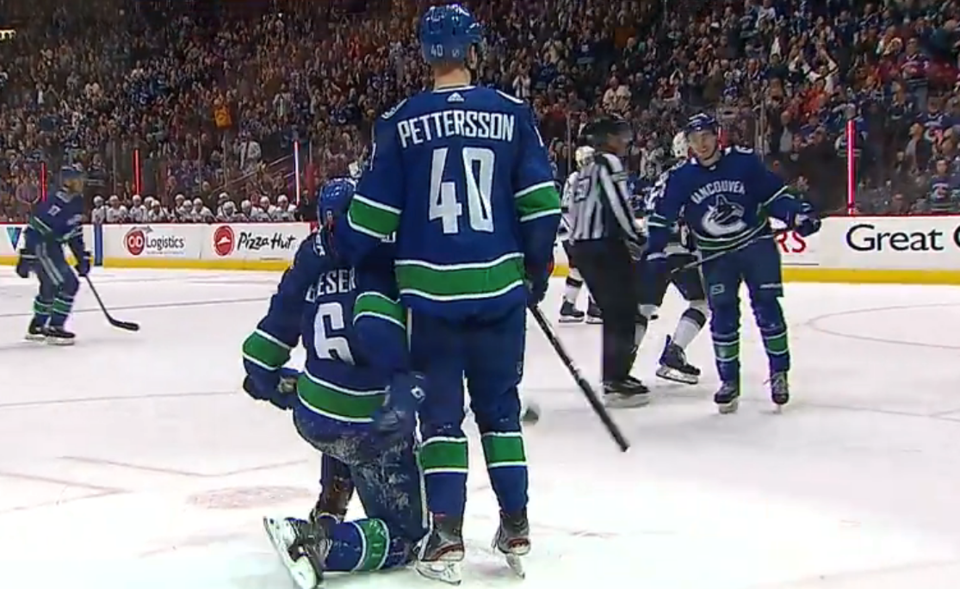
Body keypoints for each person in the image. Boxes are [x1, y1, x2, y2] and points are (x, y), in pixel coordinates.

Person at [339, 4, 561, 582]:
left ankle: (445, 536)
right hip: (499, 294)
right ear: (473, 50)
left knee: (441, 420)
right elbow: (541, 204)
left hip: (431, 301)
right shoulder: (512, 114)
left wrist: (355, 256)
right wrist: (534, 270)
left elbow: (366, 220)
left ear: (426, 55)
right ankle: (516, 521)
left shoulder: (400, 122)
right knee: (500, 413)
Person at [241, 178, 428, 589]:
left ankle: (331, 502)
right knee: (408, 537)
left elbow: (260, 352)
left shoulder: (309, 265)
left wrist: (274, 387)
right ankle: (322, 541)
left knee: (330, 409)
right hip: (371, 426)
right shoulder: (387, 262)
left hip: (314, 417)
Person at [647, 114, 821, 414]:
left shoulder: (744, 163)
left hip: (756, 247)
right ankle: (729, 381)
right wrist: (655, 252)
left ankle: (779, 373)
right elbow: (662, 218)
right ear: (687, 143)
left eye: (706, 136)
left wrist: (796, 215)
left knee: (767, 309)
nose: (701, 144)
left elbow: (774, 195)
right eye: (694, 138)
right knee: (723, 315)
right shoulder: (680, 178)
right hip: (716, 256)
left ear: (718, 136)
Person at [565, 115, 649, 408]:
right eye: (619, 135)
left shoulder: (583, 171)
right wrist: (637, 236)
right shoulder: (608, 164)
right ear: (607, 139)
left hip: (584, 249)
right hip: (605, 247)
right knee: (623, 312)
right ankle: (616, 380)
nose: (625, 140)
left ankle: (614, 376)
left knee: (614, 313)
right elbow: (618, 204)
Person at [640, 132, 709, 385]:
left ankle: (620, 369)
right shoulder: (692, 176)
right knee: (701, 303)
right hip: (678, 250)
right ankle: (674, 353)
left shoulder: (663, 176)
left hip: (653, 248)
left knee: (645, 309)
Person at [15, 166, 91, 345]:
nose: (82, 182)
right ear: (68, 181)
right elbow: (35, 229)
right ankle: (55, 327)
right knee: (68, 283)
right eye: (78, 179)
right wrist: (27, 255)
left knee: (49, 285)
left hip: (54, 248)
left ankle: (38, 326)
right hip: (42, 248)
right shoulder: (55, 202)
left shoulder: (77, 202)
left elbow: (74, 233)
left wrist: (81, 257)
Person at [559, 145, 601, 323]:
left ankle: (568, 306)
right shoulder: (583, 179)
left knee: (578, 268)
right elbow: (569, 207)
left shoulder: (578, 178)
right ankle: (594, 309)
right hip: (576, 232)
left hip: (570, 231)